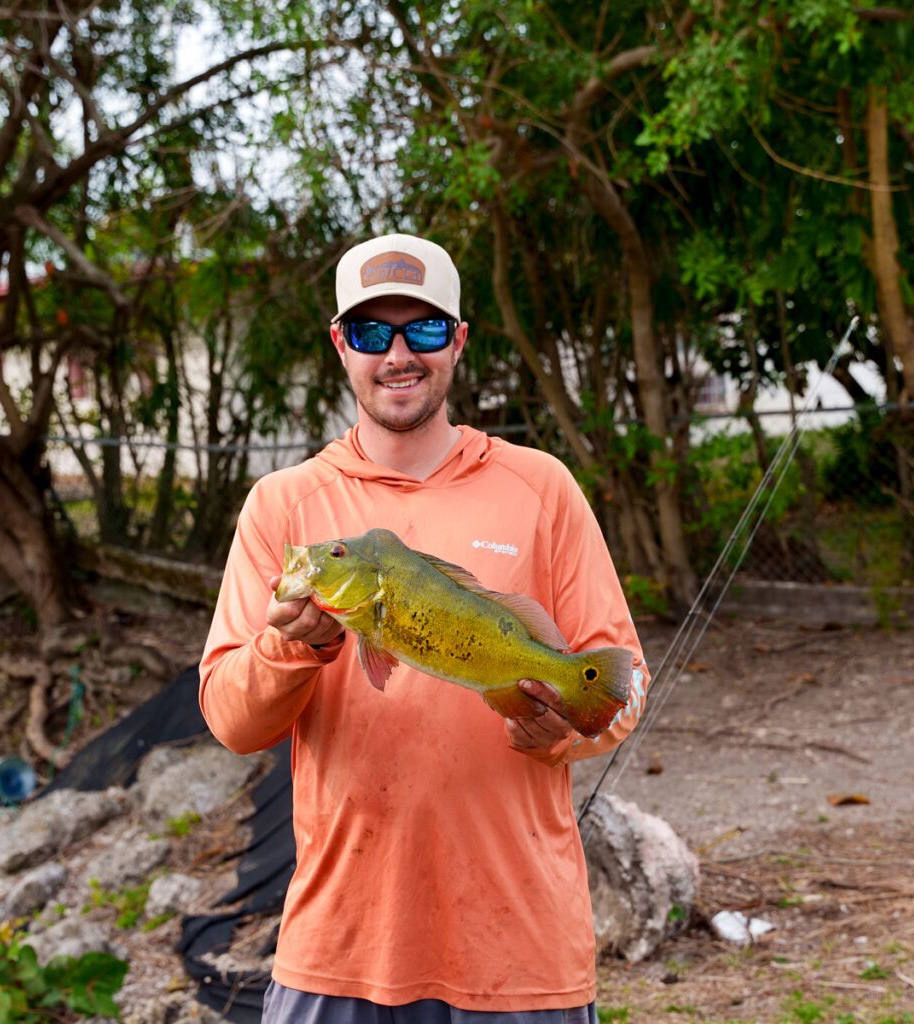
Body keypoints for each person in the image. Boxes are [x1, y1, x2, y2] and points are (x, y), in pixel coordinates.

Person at [199, 233, 649, 1023]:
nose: (398, 354)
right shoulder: (285, 506)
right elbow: (233, 722)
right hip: (340, 951)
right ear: (341, 343)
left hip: (520, 950)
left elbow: (620, 686)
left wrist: (557, 732)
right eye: (373, 333)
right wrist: (291, 645)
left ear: (459, 342)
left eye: (425, 330)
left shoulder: (541, 487)